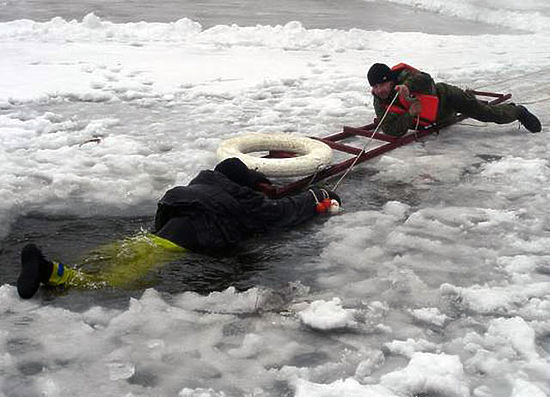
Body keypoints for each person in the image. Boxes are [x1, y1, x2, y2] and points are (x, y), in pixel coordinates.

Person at [16, 158, 341, 299]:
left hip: (164, 230)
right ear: (244, 184)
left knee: (124, 250)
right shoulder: (241, 199)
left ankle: (51, 267)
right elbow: (281, 213)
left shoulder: (200, 185)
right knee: (112, 281)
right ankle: (52, 272)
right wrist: (318, 196)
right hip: (179, 243)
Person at [367, 62, 542, 137]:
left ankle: (518, 111)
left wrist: (408, 87)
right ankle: (472, 99)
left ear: (391, 80)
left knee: (488, 114)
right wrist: (410, 114)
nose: (379, 90)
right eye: (375, 87)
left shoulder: (406, 77)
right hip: (432, 117)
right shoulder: (380, 100)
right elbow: (390, 130)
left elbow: (426, 79)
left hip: (449, 98)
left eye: (382, 84)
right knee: (477, 108)